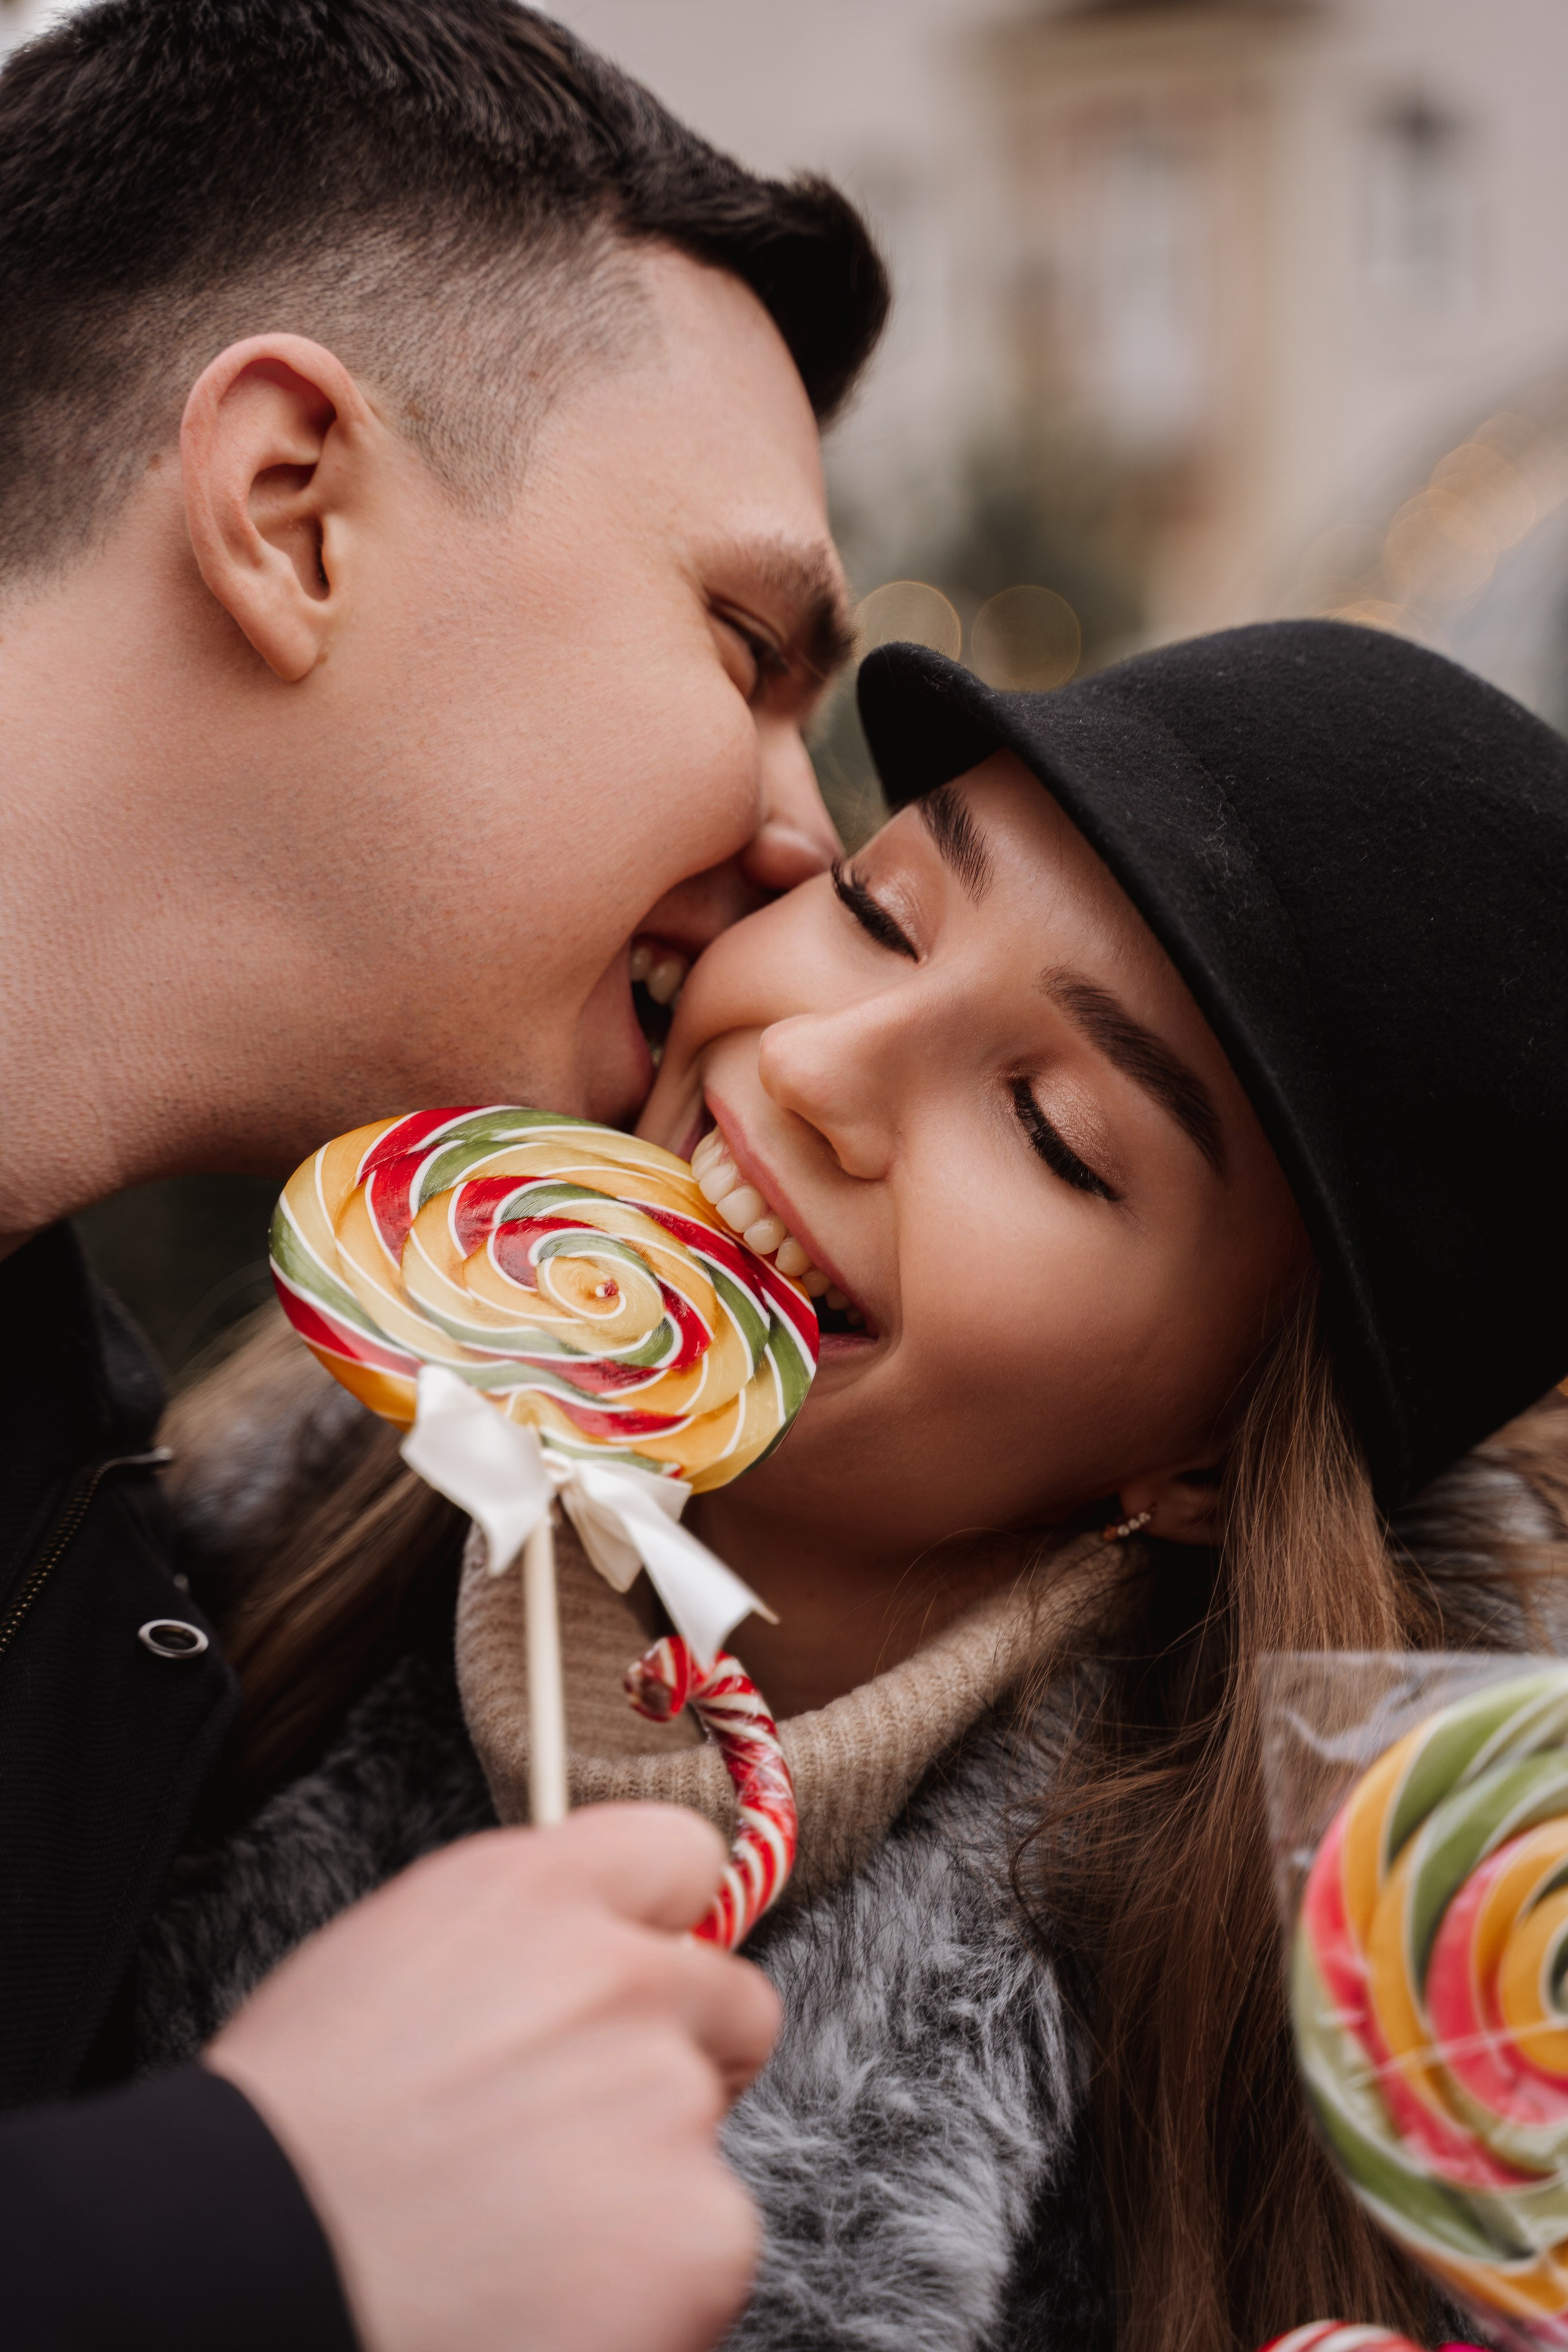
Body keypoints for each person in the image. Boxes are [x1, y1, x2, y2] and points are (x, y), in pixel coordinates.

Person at [145, 619, 1567, 2352]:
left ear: (1203, 1458)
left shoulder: (1301, 2116)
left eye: (1052, 1128)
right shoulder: (152, 1598)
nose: (816, 1066)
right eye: (880, 910)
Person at [0, 1, 889, 2345]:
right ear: (291, 505)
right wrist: (251, 2223)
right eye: (747, 645)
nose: (803, 837)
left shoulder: (108, 1567)